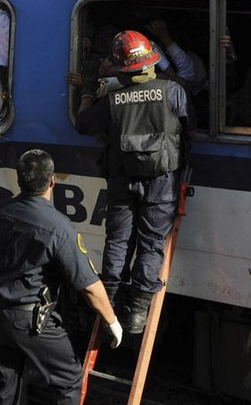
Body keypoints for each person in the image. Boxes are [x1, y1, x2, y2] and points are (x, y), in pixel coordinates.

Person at [0, 149, 121, 404]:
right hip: (29, 321)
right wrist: (112, 321)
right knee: (69, 379)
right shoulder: (58, 227)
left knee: (3, 388)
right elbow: (89, 286)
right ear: (53, 180)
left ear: (19, 180)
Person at [74, 30, 191, 334]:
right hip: (162, 180)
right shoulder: (173, 91)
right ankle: (138, 312)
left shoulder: (112, 99)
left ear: (121, 67)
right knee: (151, 245)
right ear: (150, 62)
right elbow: (188, 132)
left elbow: (83, 124)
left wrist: (87, 93)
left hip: (121, 181)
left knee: (118, 241)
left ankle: (108, 303)